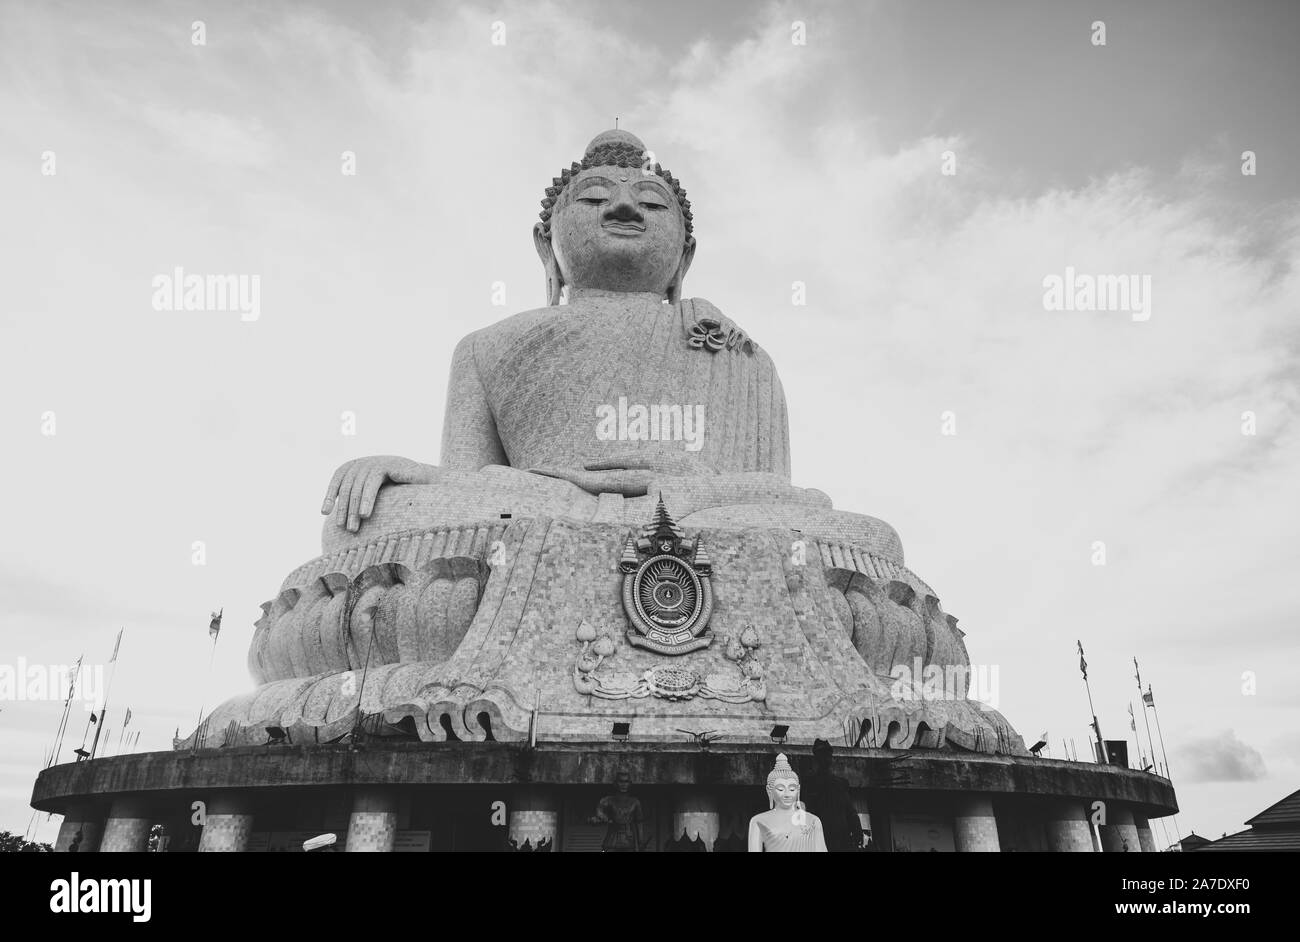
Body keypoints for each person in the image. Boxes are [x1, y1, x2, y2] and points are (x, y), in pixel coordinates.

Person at [801, 738, 864, 852]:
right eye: (823, 755)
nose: (826, 758)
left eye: (828, 754)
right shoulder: (809, 784)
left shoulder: (840, 784)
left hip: (841, 840)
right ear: (817, 758)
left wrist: (857, 831)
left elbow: (850, 810)